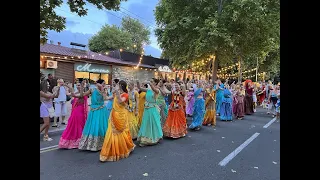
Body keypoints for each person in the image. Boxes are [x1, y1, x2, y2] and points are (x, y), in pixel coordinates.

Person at [100, 80, 135, 162]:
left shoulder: (126, 95)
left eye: (118, 85)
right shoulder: (117, 93)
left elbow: (120, 101)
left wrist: (116, 91)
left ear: (121, 86)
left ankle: (122, 148)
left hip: (121, 115)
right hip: (113, 115)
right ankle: (111, 149)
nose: (116, 86)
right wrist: (103, 90)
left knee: (120, 132)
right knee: (111, 132)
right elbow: (106, 98)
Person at [77, 79, 109, 151]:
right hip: (94, 110)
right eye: (103, 83)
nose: (104, 84)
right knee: (93, 125)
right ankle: (91, 144)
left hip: (101, 110)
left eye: (104, 83)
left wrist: (103, 90)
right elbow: (82, 95)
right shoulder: (92, 89)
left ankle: (102, 143)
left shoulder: (104, 90)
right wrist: (82, 87)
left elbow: (105, 99)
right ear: (98, 84)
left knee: (101, 126)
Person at [58, 82, 88, 149]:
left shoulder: (84, 93)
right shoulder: (76, 92)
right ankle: (74, 140)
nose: (78, 86)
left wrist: (81, 88)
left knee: (80, 125)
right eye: (77, 85)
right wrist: (66, 85)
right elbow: (70, 94)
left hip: (80, 111)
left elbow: (80, 96)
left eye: (79, 85)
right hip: (75, 111)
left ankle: (80, 140)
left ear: (82, 85)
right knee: (73, 125)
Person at [136, 79, 163, 146]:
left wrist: (149, 83)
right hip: (146, 109)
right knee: (146, 123)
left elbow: (154, 89)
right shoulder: (148, 89)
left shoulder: (157, 90)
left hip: (152, 109)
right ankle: (144, 138)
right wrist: (137, 81)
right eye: (150, 81)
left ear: (155, 83)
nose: (150, 82)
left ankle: (152, 138)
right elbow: (139, 88)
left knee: (153, 123)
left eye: (152, 81)